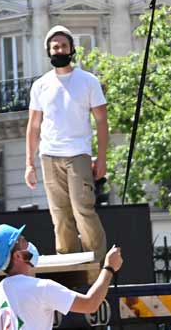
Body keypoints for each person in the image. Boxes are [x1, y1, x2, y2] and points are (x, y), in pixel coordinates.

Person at [25, 25, 108, 265]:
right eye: (55, 47)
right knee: (60, 216)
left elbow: (102, 121)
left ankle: (98, 264)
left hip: (78, 154)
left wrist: (101, 159)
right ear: (48, 51)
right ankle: (68, 267)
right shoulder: (40, 85)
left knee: (83, 210)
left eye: (63, 46)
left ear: (72, 49)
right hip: (49, 156)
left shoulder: (88, 81)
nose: (59, 50)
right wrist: (29, 164)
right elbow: (33, 127)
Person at [0, 222, 122, 330]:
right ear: (18, 256)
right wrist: (109, 267)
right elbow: (90, 304)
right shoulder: (41, 288)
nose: (28, 243)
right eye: (23, 241)